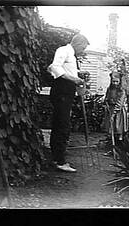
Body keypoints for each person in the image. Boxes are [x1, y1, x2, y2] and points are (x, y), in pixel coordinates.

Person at [47, 33, 90, 172]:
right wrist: (74, 79)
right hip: (61, 91)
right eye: (83, 48)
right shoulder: (63, 50)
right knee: (62, 125)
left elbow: (66, 69)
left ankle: (56, 157)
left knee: (61, 124)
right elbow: (54, 67)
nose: (83, 50)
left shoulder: (71, 55)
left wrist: (78, 73)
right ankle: (60, 161)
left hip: (67, 92)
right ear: (77, 43)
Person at [104, 71, 128, 155]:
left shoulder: (121, 91)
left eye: (116, 81)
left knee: (118, 129)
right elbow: (106, 98)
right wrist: (106, 103)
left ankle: (119, 150)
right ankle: (110, 149)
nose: (115, 83)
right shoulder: (109, 89)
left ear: (119, 81)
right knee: (111, 129)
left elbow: (119, 103)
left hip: (118, 112)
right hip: (110, 109)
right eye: (113, 81)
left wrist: (113, 114)